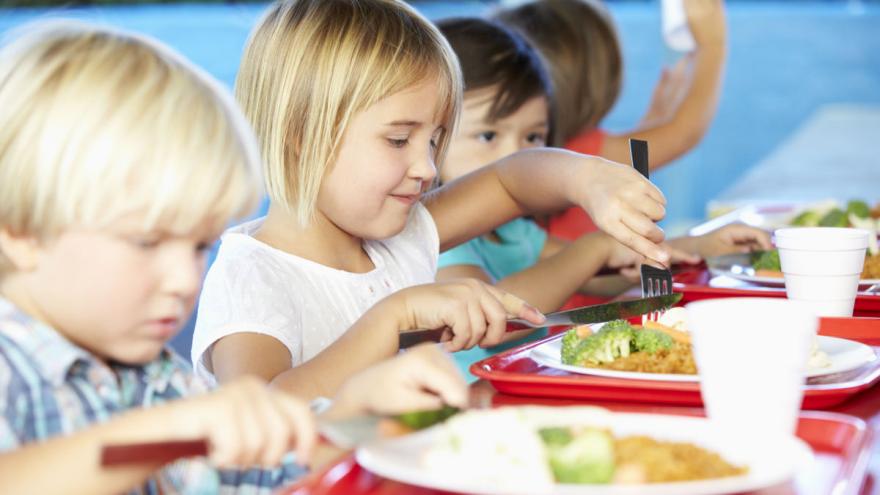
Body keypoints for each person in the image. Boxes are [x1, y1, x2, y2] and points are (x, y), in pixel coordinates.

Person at [0, 21, 467, 495]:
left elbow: (261, 476)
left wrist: (354, 416)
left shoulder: (158, 376)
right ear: (21, 232)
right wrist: (164, 433)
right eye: (146, 242)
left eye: (200, 246)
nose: (185, 280)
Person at [192, 0, 672, 399]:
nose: (426, 167)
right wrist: (395, 316)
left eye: (435, 140)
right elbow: (261, 414)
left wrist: (588, 178)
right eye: (399, 140)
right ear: (301, 134)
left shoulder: (399, 236)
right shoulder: (252, 277)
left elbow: (509, 181)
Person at [434, 17, 770, 379]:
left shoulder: (513, 231)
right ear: (430, 136)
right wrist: (594, 248)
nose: (516, 155)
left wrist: (694, 247)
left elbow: (595, 276)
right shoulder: (438, 241)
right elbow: (502, 316)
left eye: (532, 137)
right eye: (488, 136)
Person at [497, 0, 728, 240]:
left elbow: (636, 159)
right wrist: (712, 44)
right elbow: (684, 134)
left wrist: (654, 120)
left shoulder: (541, 153)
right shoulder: (581, 155)